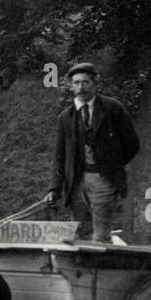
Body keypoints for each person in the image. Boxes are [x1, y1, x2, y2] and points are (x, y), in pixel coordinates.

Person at [46, 63, 140, 242]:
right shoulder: (65, 117)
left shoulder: (113, 109)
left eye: (86, 82)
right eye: (77, 83)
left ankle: (102, 268)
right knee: (80, 234)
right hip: (76, 183)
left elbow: (132, 144)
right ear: (71, 86)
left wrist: (112, 165)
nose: (81, 87)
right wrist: (54, 189)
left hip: (103, 181)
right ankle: (82, 270)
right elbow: (59, 158)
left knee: (101, 236)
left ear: (95, 84)